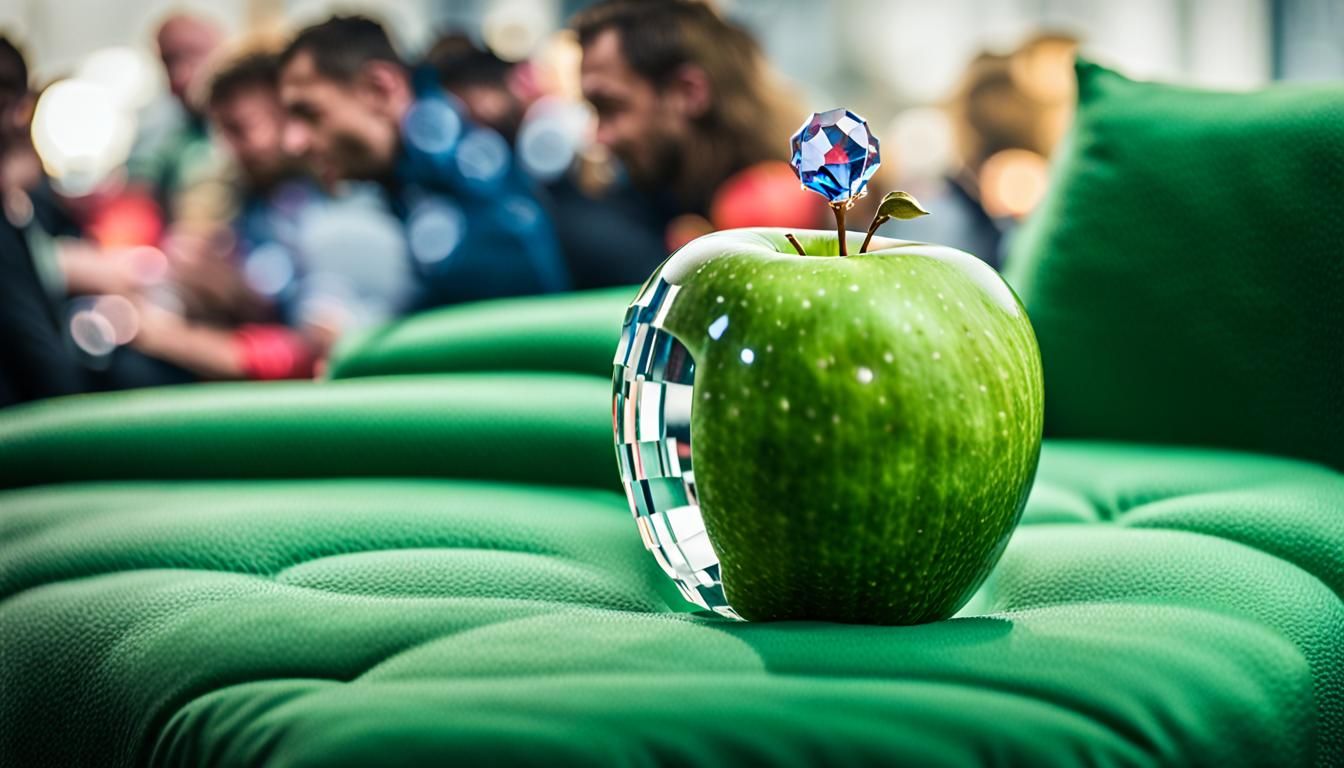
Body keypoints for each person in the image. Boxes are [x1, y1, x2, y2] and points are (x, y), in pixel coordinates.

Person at [131, 52, 413, 381]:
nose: (228, 149)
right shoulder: (256, 206)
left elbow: (317, 357)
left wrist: (164, 337)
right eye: (221, 132)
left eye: (241, 128)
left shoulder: (347, 212)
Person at [277, 16, 569, 310]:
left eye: (308, 112)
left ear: (380, 89)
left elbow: (518, 319)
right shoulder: (412, 181)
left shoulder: (465, 179)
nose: (292, 143)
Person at [571, 0, 821, 255]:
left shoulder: (809, 211)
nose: (598, 137)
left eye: (611, 107)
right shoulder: (638, 206)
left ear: (688, 92)